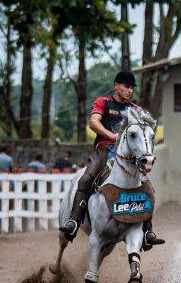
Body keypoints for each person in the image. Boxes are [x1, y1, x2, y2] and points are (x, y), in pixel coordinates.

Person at [59, 70, 164, 249]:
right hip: (105, 149)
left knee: (147, 187)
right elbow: (93, 122)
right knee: (86, 178)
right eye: (126, 86)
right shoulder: (103, 102)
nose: (129, 90)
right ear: (116, 86)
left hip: (129, 156)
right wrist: (110, 135)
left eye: (131, 87)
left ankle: (147, 231)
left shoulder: (135, 109)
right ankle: (74, 221)